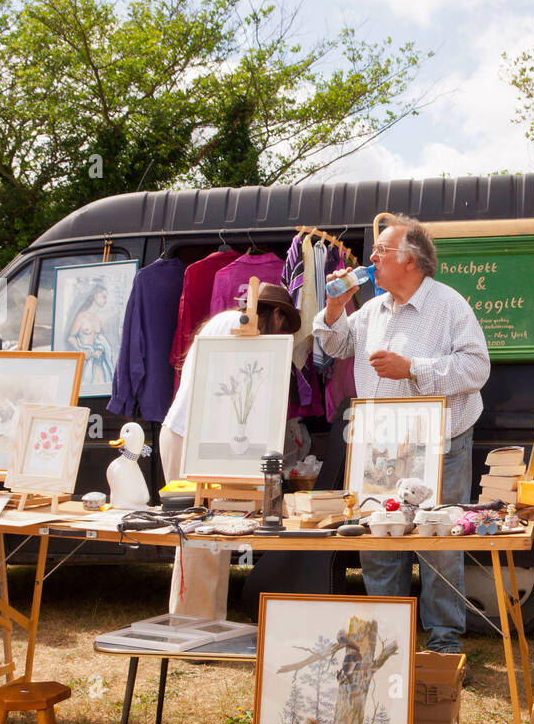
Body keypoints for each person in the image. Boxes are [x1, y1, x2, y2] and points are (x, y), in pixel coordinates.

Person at [315, 215, 491, 663]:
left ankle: (443, 647)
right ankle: (384, 641)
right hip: (380, 447)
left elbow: (477, 369)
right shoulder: (371, 310)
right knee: (378, 540)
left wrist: (411, 367)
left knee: (437, 543)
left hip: (441, 445)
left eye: (381, 251)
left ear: (409, 260)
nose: (370, 258)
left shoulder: (450, 306)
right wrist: (336, 309)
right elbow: (332, 347)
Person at [159, 283, 301, 618]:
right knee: (198, 537)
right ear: (274, 314)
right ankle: (193, 626)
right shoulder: (237, 328)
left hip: (202, 439)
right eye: (281, 324)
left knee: (212, 536)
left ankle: (205, 623)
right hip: (191, 439)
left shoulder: (227, 324)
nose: (279, 332)